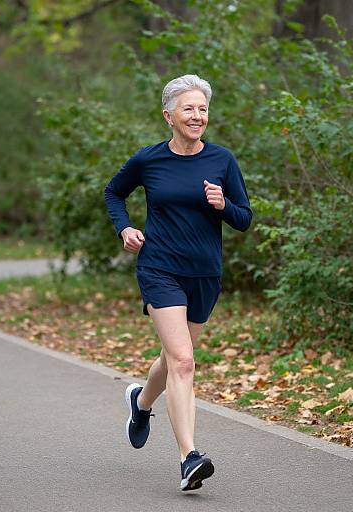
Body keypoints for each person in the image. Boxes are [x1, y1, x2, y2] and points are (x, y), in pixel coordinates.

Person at [104, 74, 252, 492]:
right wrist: (124, 229)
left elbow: (245, 218)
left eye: (202, 108)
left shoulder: (222, 160)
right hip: (160, 268)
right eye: (189, 108)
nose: (197, 115)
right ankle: (189, 457)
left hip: (205, 273)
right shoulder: (149, 160)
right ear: (169, 115)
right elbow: (114, 193)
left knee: (173, 359)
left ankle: (141, 401)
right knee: (184, 361)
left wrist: (224, 205)